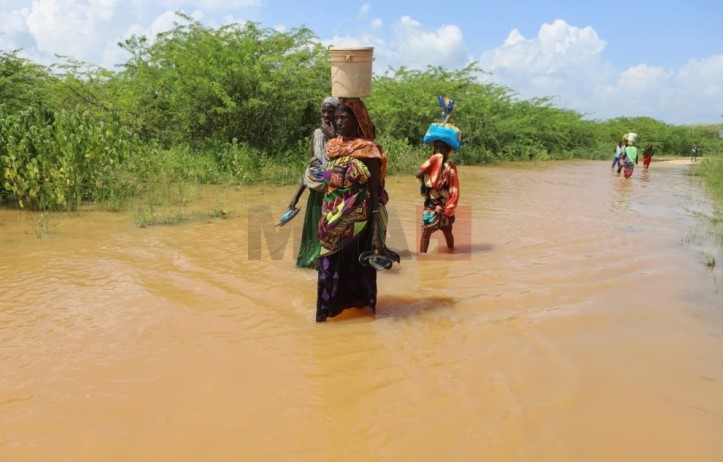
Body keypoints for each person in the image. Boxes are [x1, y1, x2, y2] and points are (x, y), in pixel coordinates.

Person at [315, 98, 395, 322]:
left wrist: (377, 231)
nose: (338, 122)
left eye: (344, 118)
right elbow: (327, 183)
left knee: (356, 266)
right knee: (328, 267)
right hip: (330, 219)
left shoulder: (368, 151)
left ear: (357, 119)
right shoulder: (333, 147)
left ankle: (360, 311)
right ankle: (327, 312)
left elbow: (375, 192)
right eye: (337, 118)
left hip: (358, 221)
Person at [287, 96, 339, 268]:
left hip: (333, 195)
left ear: (337, 113)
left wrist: (333, 137)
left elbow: (345, 163)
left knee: (330, 231)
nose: (325, 115)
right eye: (323, 111)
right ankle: (311, 262)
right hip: (316, 192)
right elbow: (310, 167)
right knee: (315, 230)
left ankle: (326, 264)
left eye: (330, 112)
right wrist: (296, 197)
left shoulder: (343, 137)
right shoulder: (316, 134)